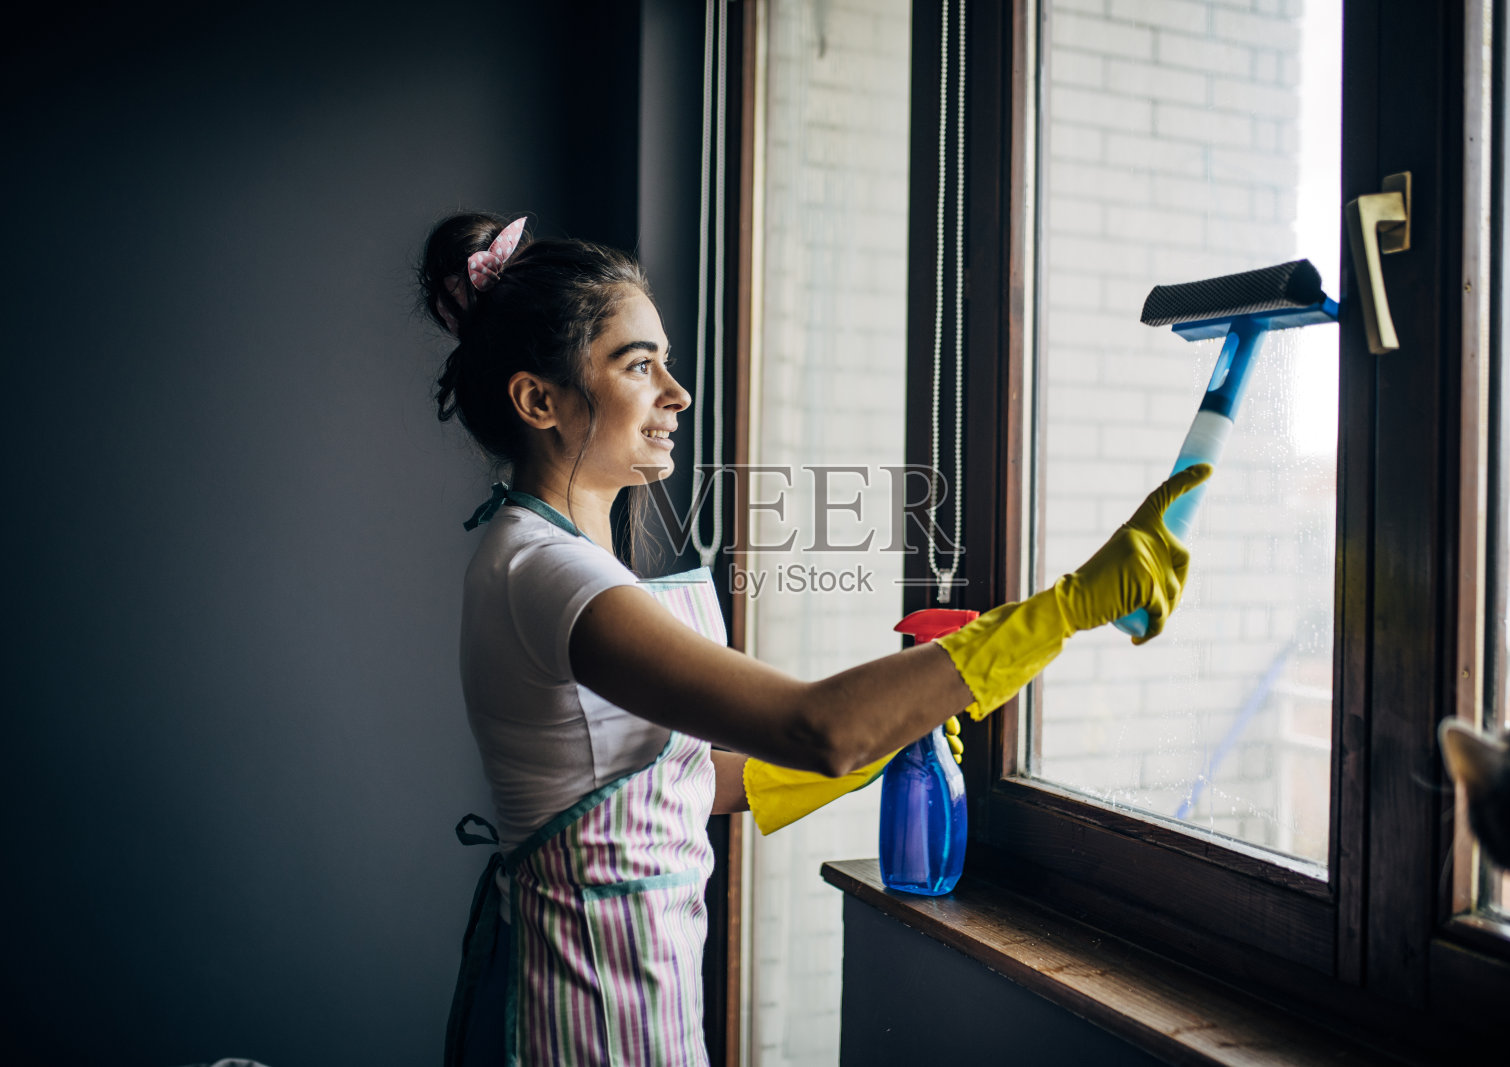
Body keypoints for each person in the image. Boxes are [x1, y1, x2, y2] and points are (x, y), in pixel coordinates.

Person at [420, 212, 1211, 1067]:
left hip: (632, 993)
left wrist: (883, 740)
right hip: (579, 1018)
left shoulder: (553, 558)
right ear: (539, 400)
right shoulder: (552, 576)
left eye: (666, 362)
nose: (677, 394)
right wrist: (1067, 608)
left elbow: (667, 785)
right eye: (639, 365)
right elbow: (815, 726)